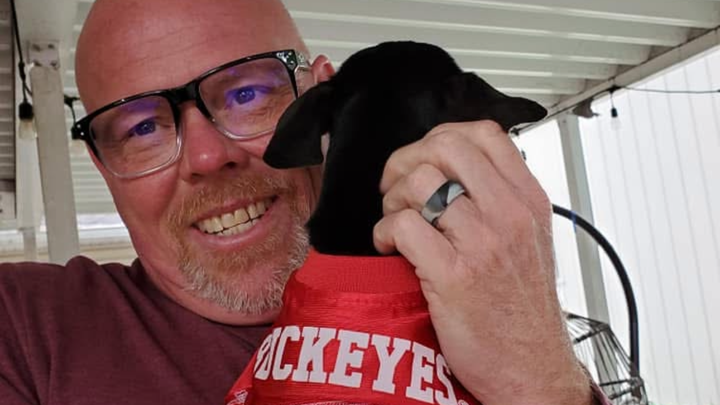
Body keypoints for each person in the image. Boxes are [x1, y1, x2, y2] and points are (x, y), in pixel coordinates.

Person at [0, 0, 603, 404]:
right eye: (140, 128)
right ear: (103, 167)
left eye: (245, 93)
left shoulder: (477, 294)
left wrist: (541, 380)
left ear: (321, 98)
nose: (206, 156)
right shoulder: (26, 329)